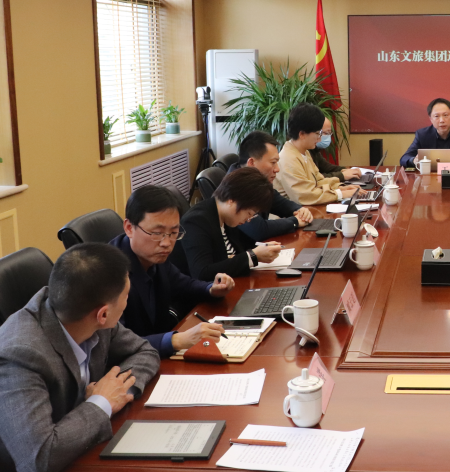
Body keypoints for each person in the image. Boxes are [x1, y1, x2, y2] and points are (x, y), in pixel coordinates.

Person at [0, 243, 160, 472]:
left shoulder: (86, 314)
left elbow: (145, 352)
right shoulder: (16, 356)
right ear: (103, 314)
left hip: (65, 457)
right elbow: (39, 459)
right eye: (126, 296)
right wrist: (102, 403)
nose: (127, 302)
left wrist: (118, 391)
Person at [111, 185, 235, 358]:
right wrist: (175, 340)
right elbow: (114, 345)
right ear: (129, 228)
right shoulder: (109, 273)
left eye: (174, 232)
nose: (166, 243)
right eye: (157, 233)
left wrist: (212, 289)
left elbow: (184, 284)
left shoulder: (155, 257)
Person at [182, 167, 285, 281]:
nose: (248, 219)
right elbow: (202, 273)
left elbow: (241, 249)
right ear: (231, 200)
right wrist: (253, 256)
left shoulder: (227, 218)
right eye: (249, 213)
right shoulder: (197, 221)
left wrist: (262, 249)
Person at [231, 130, 315, 240]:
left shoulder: (257, 182)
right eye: (273, 163)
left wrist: (300, 210)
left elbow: (279, 203)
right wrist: (295, 221)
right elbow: (259, 230)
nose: (277, 169)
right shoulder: (235, 187)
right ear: (251, 163)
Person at [276, 103, 360, 205]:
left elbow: (318, 181)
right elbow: (305, 196)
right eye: (317, 133)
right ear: (302, 134)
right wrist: (340, 194)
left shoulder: (304, 152)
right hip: (294, 213)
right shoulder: (288, 159)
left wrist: (340, 188)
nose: (319, 139)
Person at [399, 97, 450, 168]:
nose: (442, 120)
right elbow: (404, 158)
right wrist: (413, 160)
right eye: (437, 116)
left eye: (445, 115)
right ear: (431, 119)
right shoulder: (422, 135)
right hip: (429, 177)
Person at [309, 116, 362, 182]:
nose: (319, 138)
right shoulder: (302, 152)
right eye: (326, 133)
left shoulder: (313, 150)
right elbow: (314, 179)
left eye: (329, 133)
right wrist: (342, 175)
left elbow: (326, 167)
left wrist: (346, 170)